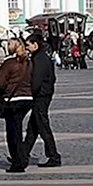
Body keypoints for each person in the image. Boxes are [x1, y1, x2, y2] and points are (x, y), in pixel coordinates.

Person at [0, 38, 34, 173]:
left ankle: (18, 162)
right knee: (18, 129)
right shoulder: (28, 62)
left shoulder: (9, 64)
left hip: (12, 100)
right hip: (27, 99)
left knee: (13, 133)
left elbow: (0, 84)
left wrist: (0, 93)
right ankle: (21, 157)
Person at [23, 33, 61, 168]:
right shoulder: (41, 57)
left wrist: (30, 94)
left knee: (43, 127)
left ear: (35, 45)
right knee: (32, 127)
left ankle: (54, 156)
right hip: (43, 94)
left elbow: (36, 81)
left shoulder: (39, 59)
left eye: (28, 45)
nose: (26, 48)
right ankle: (22, 154)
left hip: (41, 96)